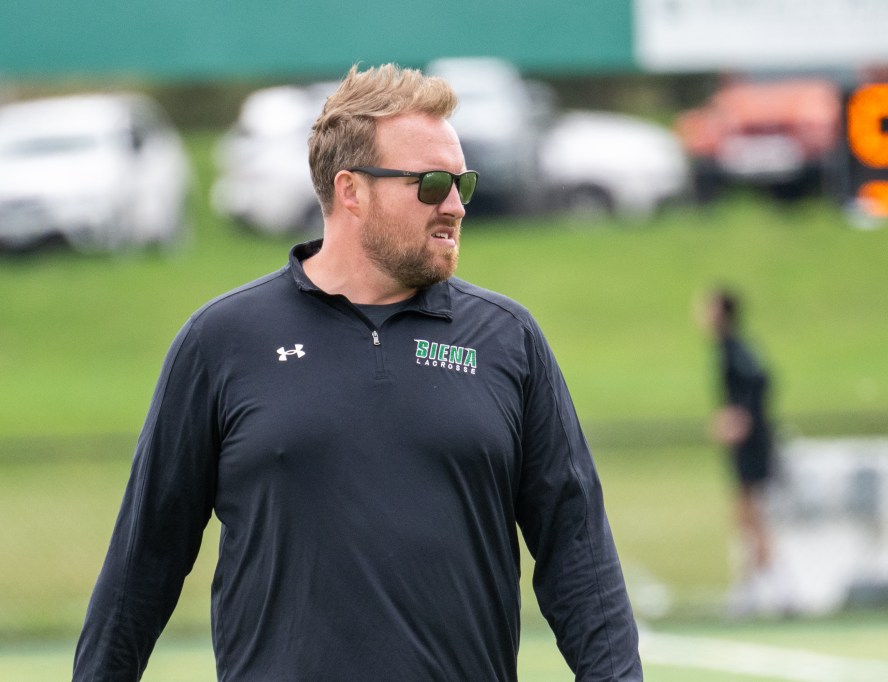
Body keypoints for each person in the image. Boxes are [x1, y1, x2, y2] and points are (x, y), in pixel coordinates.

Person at [73, 64, 642, 681]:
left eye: (461, 184)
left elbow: (578, 557)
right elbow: (141, 565)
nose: (453, 205)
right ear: (351, 191)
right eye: (429, 184)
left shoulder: (509, 340)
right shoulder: (222, 341)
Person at [699, 288, 778, 616]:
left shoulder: (735, 348)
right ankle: (754, 586)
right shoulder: (724, 348)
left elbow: (761, 380)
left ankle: (772, 586)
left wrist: (739, 418)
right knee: (744, 513)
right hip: (746, 444)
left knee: (751, 513)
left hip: (752, 444)